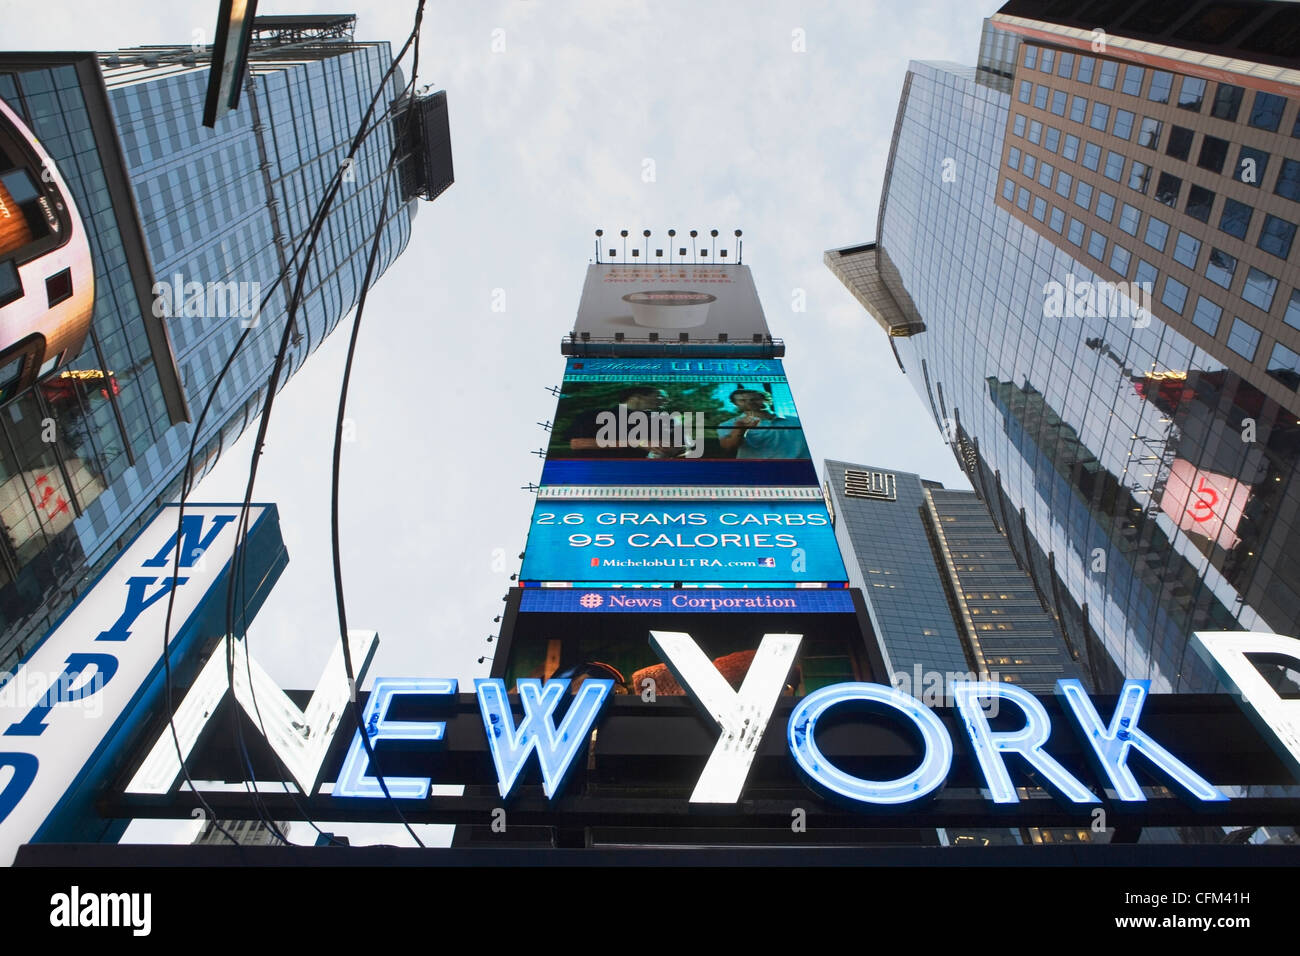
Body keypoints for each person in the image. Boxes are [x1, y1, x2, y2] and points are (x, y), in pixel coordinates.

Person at [564, 386, 691, 458]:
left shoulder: (666, 419)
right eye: (659, 396)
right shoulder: (592, 415)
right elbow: (577, 443)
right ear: (637, 396)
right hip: (599, 474)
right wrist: (637, 443)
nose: (665, 402)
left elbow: (684, 449)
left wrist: (673, 451)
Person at [717, 388, 808, 459]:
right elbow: (728, 447)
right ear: (736, 404)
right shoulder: (729, 424)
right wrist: (741, 430)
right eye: (742, 400)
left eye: (755, 399)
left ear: (766, 400)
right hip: (758, 473)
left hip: (803, 472)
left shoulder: (797, 421)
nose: (749, 402)